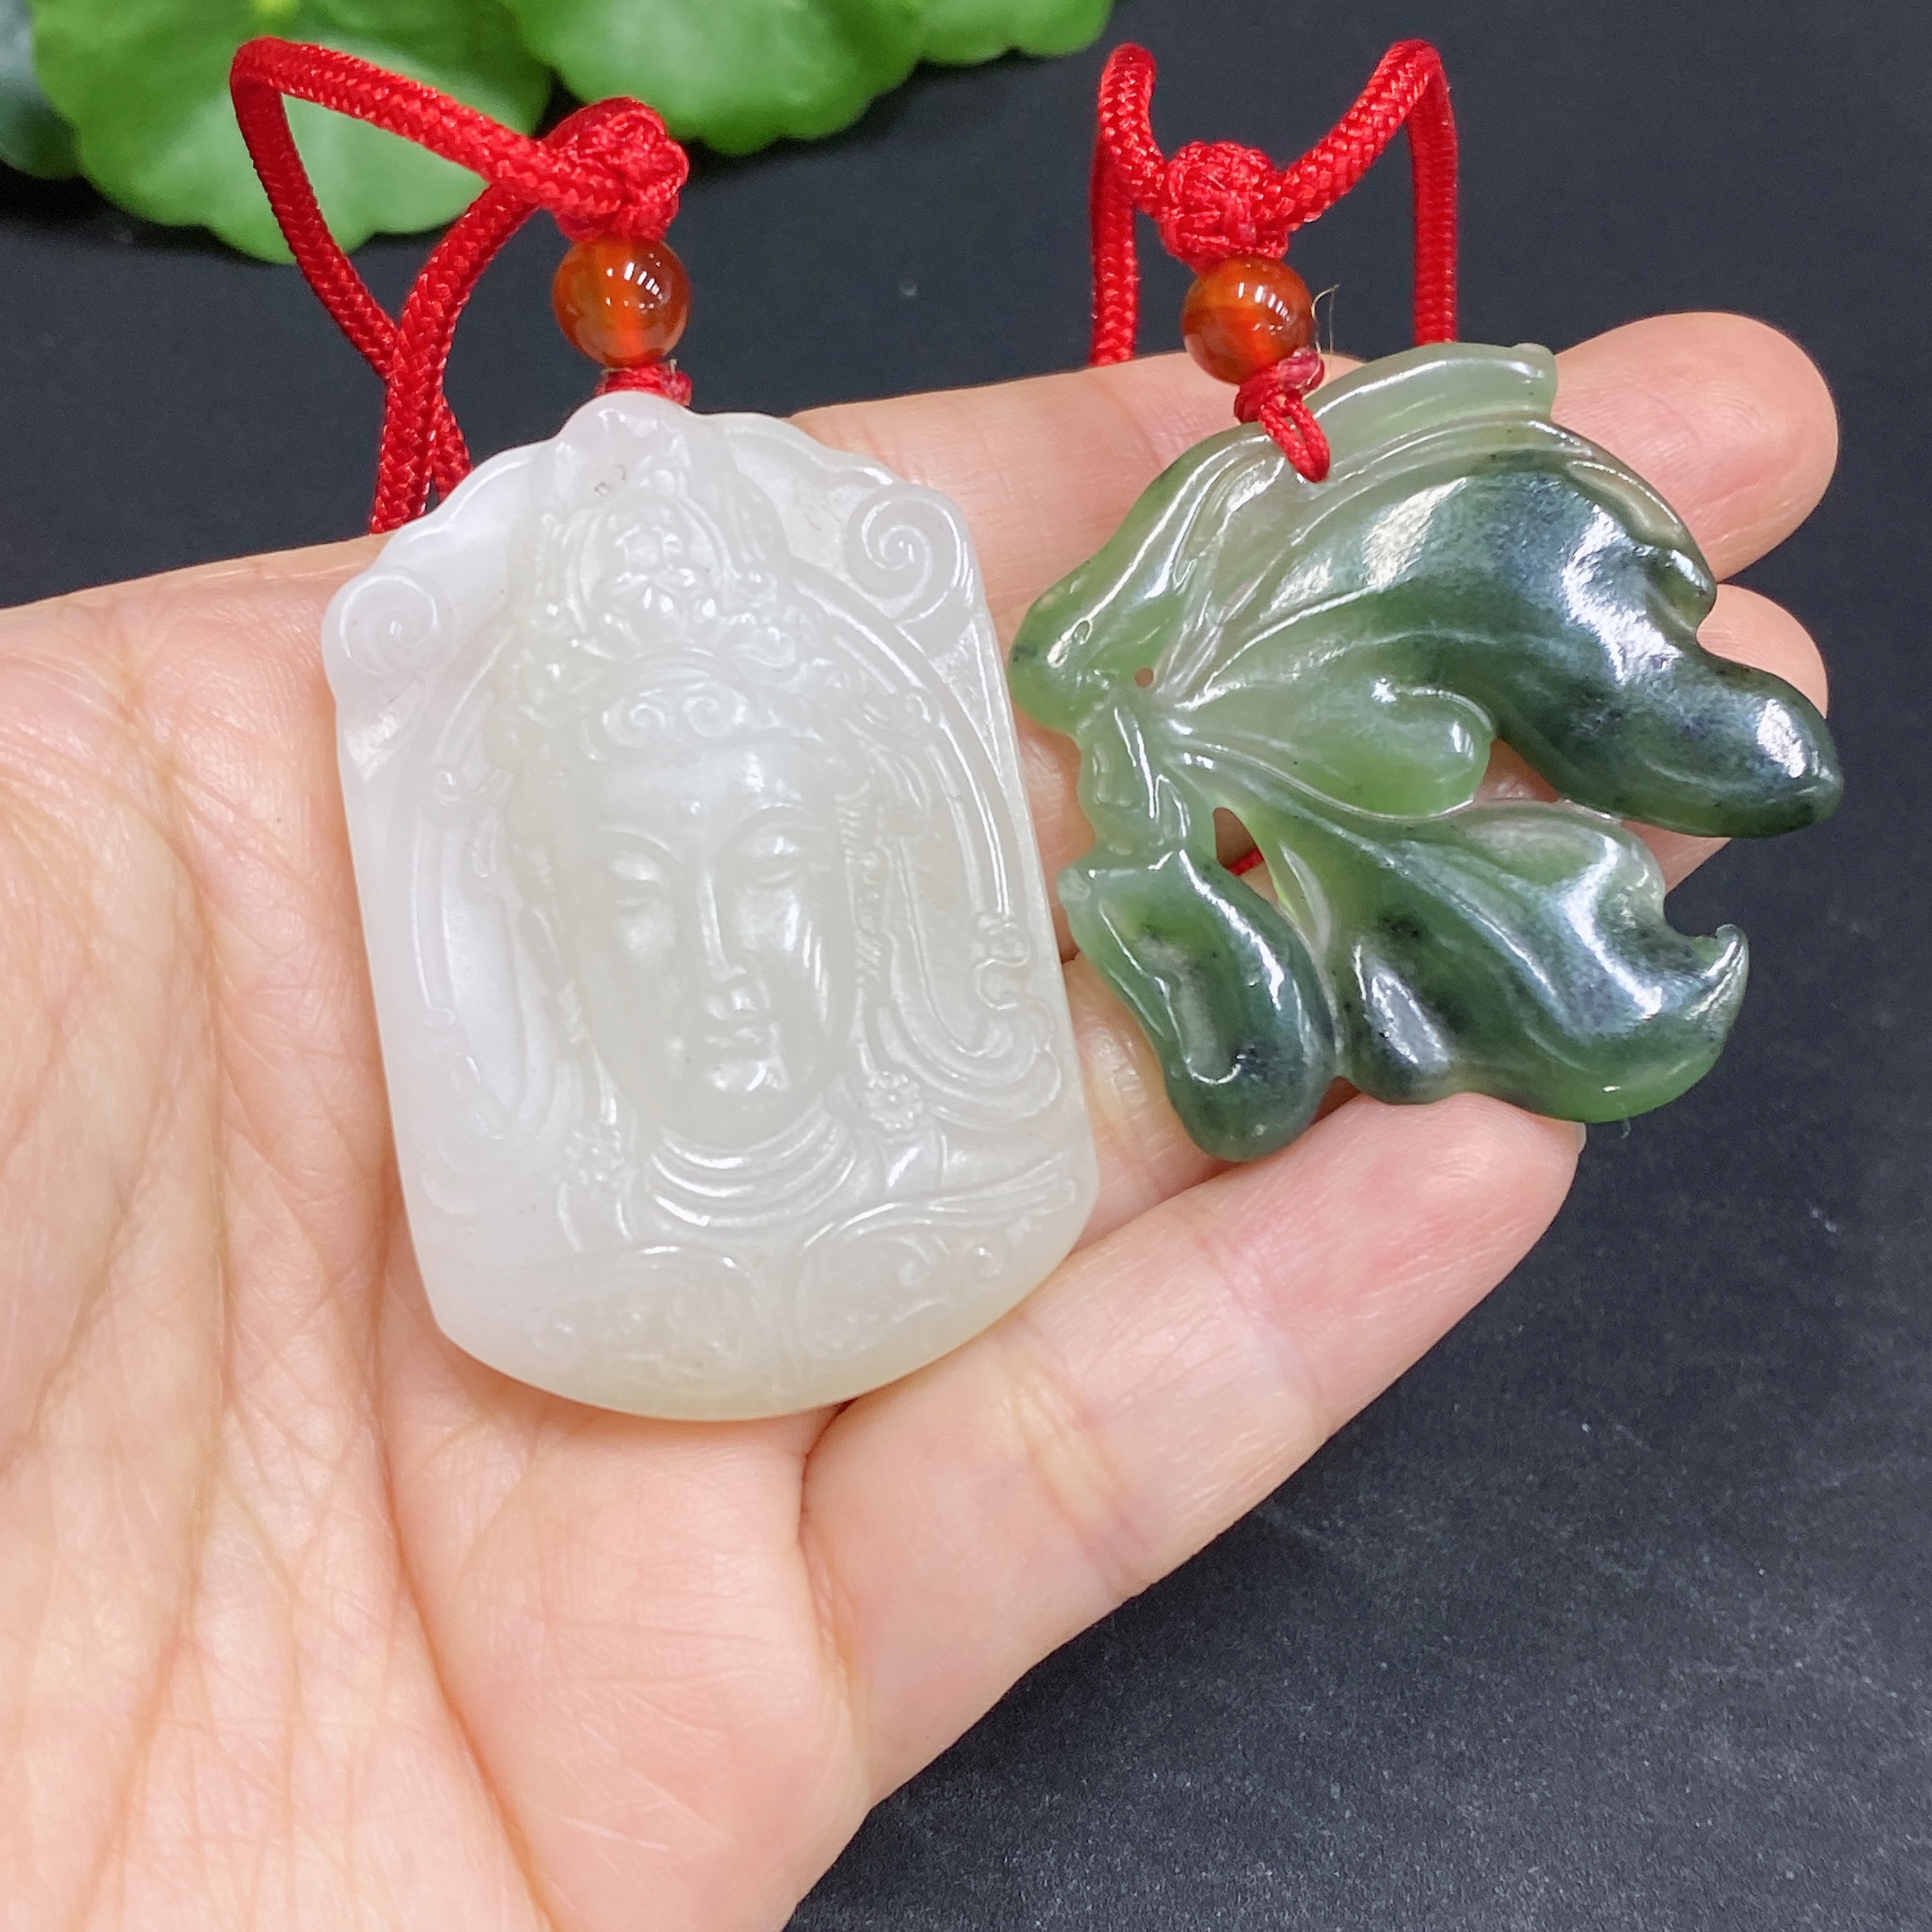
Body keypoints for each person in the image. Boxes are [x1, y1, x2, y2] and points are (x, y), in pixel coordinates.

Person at [0, 314, 1835, 1930]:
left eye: (769, 869)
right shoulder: (543, 1243)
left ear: (868, 870)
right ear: (541, 908)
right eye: (635, 887)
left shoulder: (946, 1166)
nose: (719, 953)